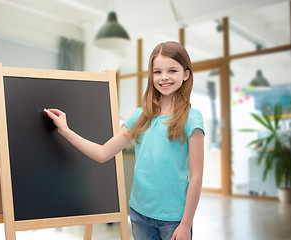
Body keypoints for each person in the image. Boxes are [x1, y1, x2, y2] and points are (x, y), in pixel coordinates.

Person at [46, 41, 204, 240]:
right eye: (157, 72)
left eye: (172, 70)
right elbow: (103, 153)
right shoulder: (140, 116)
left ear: (186, 74)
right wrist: (66, 130)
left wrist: (186, 224)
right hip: (139, 215)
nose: (164, 77)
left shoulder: (192, 118)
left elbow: (196, 176)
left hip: (174, 219)